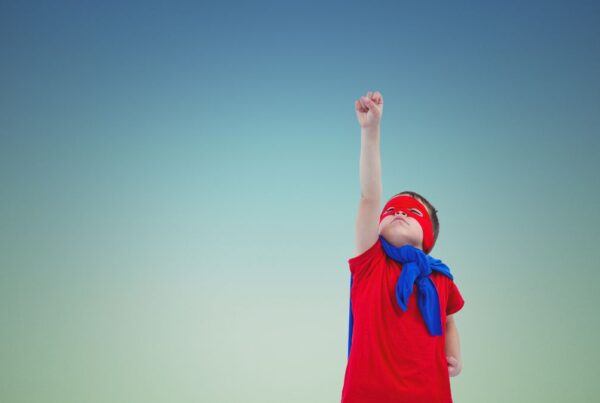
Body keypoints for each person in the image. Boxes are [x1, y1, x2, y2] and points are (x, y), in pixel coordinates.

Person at [341, 91, 465, 403]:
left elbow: (449, 320)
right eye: (392, 210)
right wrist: (370, 131)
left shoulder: (441, 279)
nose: (398, 213)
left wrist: (454, 355)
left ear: (428, 238)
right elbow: (369, 196)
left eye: (411, 213)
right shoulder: (371, 263)